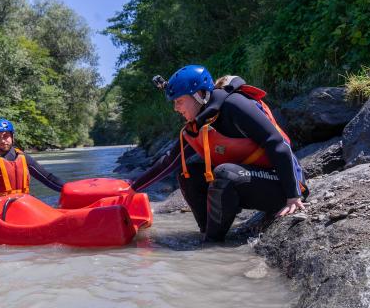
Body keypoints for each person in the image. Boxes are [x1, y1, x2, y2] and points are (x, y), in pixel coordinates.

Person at [130, 65, 308, 242]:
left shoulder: (234, 104)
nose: (176, 108)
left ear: (199, 95)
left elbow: (278, 144)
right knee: (188, 173)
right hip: (248, 180)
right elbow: (168, 162)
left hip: (284, 185)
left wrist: (293, 196)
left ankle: (211, 245)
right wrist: (131, 188)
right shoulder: (200, 123)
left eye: (179, 101)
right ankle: (206, 232)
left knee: (225, 173)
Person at [0, 119, 64, 206]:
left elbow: (49, 179)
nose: (3, 140)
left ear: (12, 136)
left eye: (6, 136)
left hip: (22, 206)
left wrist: (68, 189)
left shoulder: (22, 157)